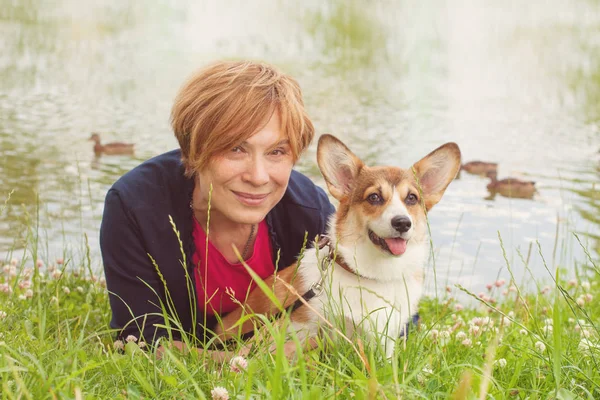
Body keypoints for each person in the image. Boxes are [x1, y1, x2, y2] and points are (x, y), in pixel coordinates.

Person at [99, 60, 335, 358]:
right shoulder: (136, 205)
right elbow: (139, 338)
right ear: (194, 149)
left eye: (277, 151)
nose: (259, 176)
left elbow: (390, 310)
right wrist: (241, 363)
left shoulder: (308, 209)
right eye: (236, 149)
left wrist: (319, 346)